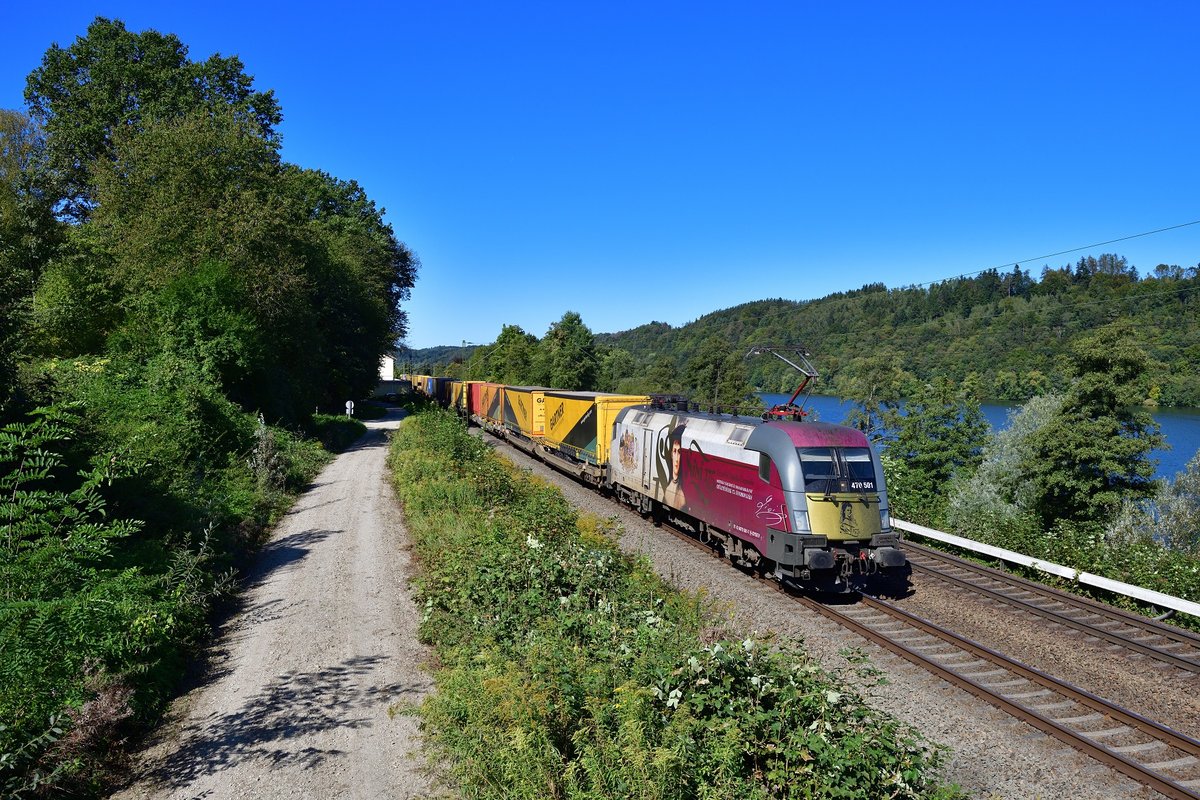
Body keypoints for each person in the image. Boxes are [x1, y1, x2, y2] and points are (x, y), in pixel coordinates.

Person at [663, 424, 687, 509]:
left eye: (680, 452)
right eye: (674, 451)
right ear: (671, 454)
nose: (676, 458)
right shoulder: (666, 488)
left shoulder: (683, 494)